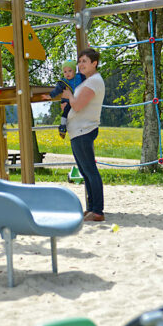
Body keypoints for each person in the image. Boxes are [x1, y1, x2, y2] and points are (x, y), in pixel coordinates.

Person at [61, 48, 106, 221]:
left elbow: (78, 105)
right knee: (85, 171)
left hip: (84, 130)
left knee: (90, 171)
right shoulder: (87, 82)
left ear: (94, 63)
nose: (80, 65)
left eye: (84, 61)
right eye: (79, 61)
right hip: (78, 131)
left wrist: (69, 95)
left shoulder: (93, 81)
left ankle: (98, 211)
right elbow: (75, 106)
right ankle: (92, 208)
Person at [48, 59, 85, 138]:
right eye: (65, 72)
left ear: (74, 71)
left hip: (79, 100)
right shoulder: (63, 82)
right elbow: (57, 90)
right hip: (69, 101)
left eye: (69, 71)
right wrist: (50, 95)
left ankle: (80, 124)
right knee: (66, 111)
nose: (67, 73)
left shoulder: (80, 77)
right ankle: (63, 126)